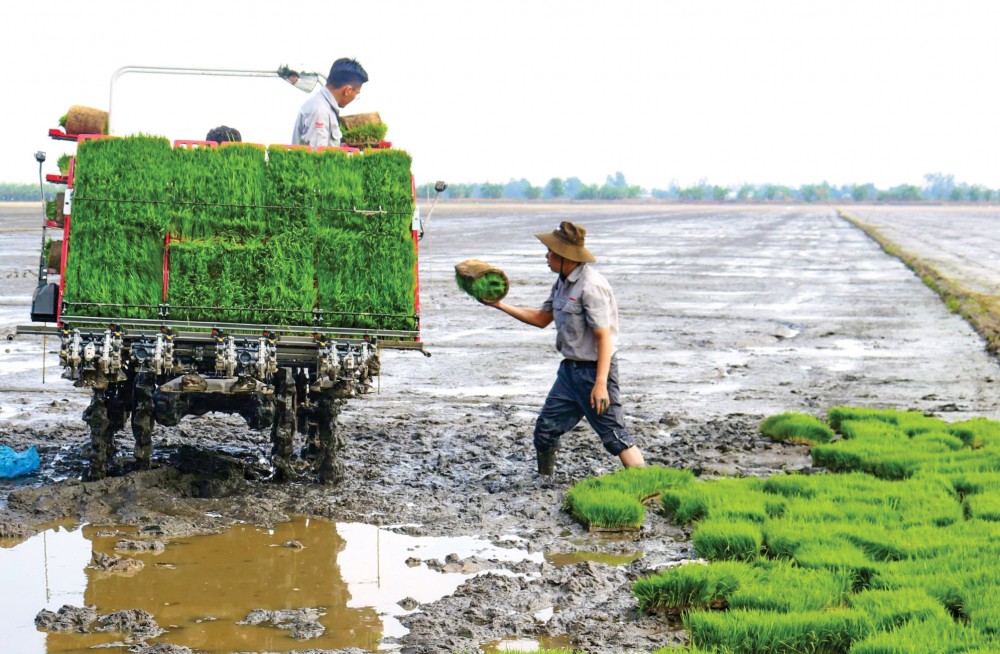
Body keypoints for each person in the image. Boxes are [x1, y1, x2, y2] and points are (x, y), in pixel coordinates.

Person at [483, 221, 646, 475]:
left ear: (564, 256)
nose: (546, 256)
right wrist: (500, 305)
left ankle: (647, 485)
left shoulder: (592, 287)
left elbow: (604, 339)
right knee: (546, 430)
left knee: (615, 436)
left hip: (594, 372)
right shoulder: (562, 282)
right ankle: (544, 481)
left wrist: (600, 384)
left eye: (550, 252)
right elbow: (541, 318)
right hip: (570, 373)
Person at [291, 57, 368, 147]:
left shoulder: (325, 106)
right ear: (348, 90)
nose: (355, 97)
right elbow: (317, 158)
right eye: (357, 94)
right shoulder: (320, 111)